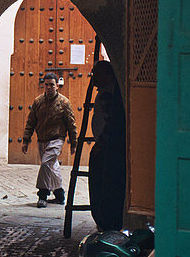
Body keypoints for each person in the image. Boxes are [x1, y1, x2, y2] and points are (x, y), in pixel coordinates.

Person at [21, 72, 77, 208]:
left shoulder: (64, 103)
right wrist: (26, 140)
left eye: (52, 85)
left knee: (46, 163)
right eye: (46, 85)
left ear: (57, 86)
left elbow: (71, 123)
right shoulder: (38, 101)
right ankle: (59, 194)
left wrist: (74, 143)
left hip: (57, 139)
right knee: (52, 166)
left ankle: (42, 194)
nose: (49, 87)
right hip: (42, 140)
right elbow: (31, 122)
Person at [87, 60, 126, 230]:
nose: (94, 78)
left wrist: (102, 144)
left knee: (101, 187)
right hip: (105, 146)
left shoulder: (108, 95)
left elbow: (109, 123)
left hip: (106, 148)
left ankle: (105, 221)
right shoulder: (108, 93)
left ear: (108, 76)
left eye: (97, 74)